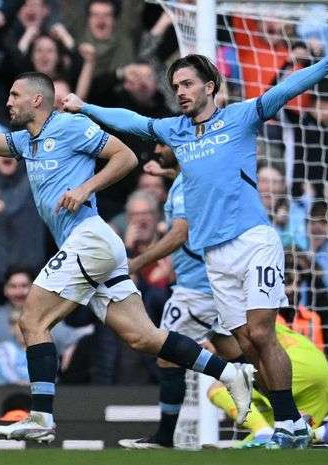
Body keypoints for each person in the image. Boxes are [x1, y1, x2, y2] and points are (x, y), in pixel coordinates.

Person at [62, 38, 328, 448]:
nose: (181, 92)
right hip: (215, 258)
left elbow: (287, 88)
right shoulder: (177, 131)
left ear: (210, 86)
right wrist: (86, 108)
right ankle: (294, 424)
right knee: (243, 343)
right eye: (177, 86)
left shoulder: (240, 118)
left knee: (260, 332)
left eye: (188, 83)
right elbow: (131, 120)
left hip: (253, 241)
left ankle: (290, 423)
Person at [0, 54, 254, 443]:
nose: (7, 101)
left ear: (37, 100)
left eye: (14, 95)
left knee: (32, 321)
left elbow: (126, 156)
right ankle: (230, 372)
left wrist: (85, 189)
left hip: (90, 239)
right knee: (144, 338)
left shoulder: (68, 126)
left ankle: (42, 417)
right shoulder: (25, 142)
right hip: (94, 246)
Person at [119, 162, 243, 450]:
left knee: (166, 353)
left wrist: (136, 262)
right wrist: (167, 174)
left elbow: (179, 235)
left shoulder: (186, 190)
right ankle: (288, 416)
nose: (158, 149)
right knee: (234, 350)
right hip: (212, 285)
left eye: (163, 145)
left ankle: (165, 436)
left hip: (195, 290)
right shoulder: (190, 180)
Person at [209, 322, 328, 449]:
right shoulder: (260, 318)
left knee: (218, 387)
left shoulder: (228, 322)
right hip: (327, 382)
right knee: (283, 437)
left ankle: (261, 432)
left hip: (294, 365)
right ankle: (324, 433)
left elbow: (228, 349)